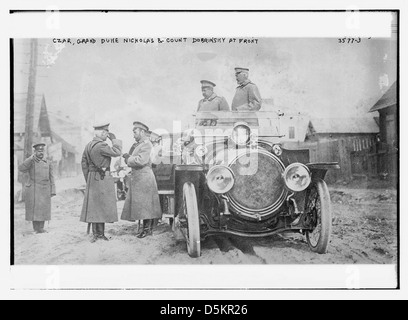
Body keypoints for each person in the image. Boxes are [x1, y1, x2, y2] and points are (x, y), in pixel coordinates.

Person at [80, 122, 122, 242]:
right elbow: (117, 152)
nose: (107, 135)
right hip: (102, 178)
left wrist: (88, 178)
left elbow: (84, 164)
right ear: (103, 133)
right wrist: (114, 139)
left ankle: (96, 234)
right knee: (102, 206)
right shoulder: (102, 146)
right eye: (107, 133)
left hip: (92, 178)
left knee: (95, 207)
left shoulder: (88, 145)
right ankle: (100, 234)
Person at [121, 121, 162, 238]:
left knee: (146, 205)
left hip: (144, 177)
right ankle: (145, 229)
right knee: (143, 205)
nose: (133, 135)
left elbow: (141, 161)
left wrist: (128, 158)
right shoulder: (139, 145)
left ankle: (147, 230)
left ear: (142, 132)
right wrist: (128, 158)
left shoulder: (146, 144)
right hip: (140, 177)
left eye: (135, 132)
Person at [18, 143, 56, 234]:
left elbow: (52, 177)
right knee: (34, 209)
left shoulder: (48, 162)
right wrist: (30, 158)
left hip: (45, 189)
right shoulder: (31, 161)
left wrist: (53, 190)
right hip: (34, 189)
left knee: (43, 209)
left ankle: (41, 228)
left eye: (42, 151)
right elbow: (21, 168)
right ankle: (36, 228)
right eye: (39, 151)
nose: (41, 153)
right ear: (35, 152)